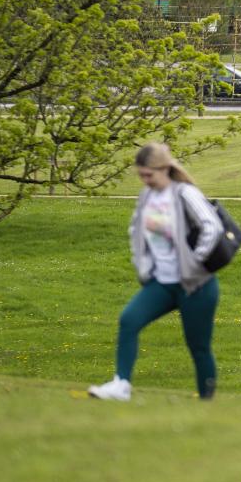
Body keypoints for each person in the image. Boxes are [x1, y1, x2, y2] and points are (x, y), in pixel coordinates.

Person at [88, 142, 224, 402]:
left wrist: (195, 263)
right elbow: (135, 231)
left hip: (195, 285)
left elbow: (212, 227)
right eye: (141, 175)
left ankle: (207, 401)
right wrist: (143, 266)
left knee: (198, 346)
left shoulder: (184, 193)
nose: (145, 180)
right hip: (162, 282)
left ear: (164, 169)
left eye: (148, 175)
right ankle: (121, 386)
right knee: (129, 320)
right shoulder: (146, 197)